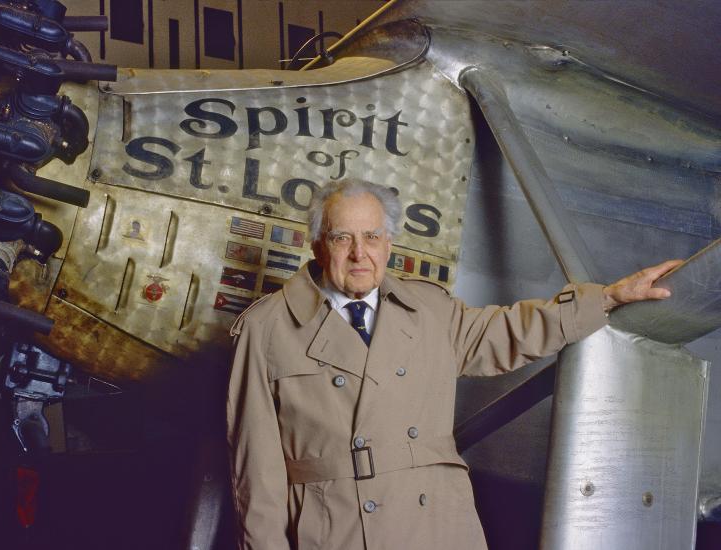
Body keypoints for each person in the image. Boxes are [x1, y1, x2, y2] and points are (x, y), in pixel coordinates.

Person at [226, 178, 680, 550]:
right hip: (336, 530)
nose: (359, 253)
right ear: (319, 245)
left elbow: (511, 332)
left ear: (388, 245)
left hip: (437, 526)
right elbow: (257, 477)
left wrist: (609, 297)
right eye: (343, 237)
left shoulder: (429, 309)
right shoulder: (266, 330)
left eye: (372, 237)